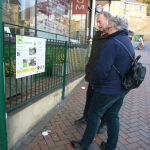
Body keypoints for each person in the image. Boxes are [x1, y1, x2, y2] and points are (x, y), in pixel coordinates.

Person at [71, 12, 135, 150]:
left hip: (107, 89)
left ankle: (84, 145)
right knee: (113, 116)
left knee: (94, 115)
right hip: (122, 88)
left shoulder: (111, 43)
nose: (107, 29)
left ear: (116, 27)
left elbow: (101, 70)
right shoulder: (127, 41)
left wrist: (94, 83)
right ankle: (110, 146)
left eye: (110, 27)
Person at [74, 30, 107, 128]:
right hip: (92, 74)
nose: (98, 24)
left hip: (102, 77)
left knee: (102, 102)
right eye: (97, 21)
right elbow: (93, 55)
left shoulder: (111, 37)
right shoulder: (97, 35)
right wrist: (88, 68)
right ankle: (86, 116)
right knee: (89, 97)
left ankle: (103, 123)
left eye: (100, 21)